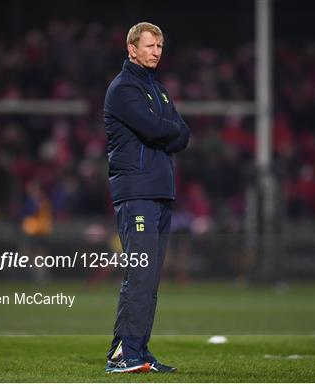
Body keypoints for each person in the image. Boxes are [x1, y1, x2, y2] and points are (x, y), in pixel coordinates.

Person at [103, 21, 190, 373]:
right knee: (140, 275)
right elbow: (158, 129)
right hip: (137, 190)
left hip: (159, 191)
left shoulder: (159, 90)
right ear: (131, 48)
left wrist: (165, 130)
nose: (156, 51)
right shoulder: (123, 89)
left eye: (159, 46)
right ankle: (123, 355)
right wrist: (165, 130)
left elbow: (183, 134)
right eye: (150, 45)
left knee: (149, 276)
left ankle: (133, 349)